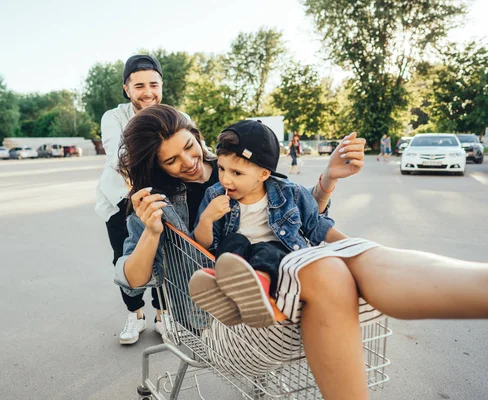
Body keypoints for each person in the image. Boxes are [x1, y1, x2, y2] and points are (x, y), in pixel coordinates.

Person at [116, 105, 488, 400]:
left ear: (196, 136)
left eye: (189, 146)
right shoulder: (155, 203)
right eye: (172, 160)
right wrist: (151, 231)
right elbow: (133, 283)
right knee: (325, 270)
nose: (190, 161)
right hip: (223, 323)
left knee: (337, 262)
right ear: (155, 166)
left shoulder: (238, 159)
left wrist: (328, 181)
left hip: (290, 296)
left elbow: (297, 216)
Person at [189, 120, 354, 328]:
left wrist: (352, 246)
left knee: (268, 248)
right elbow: (204, 245)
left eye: (236, 173)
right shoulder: (214, 195)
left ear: (264, 174)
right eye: (221, 169)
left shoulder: (289, 193)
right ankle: (226, 289)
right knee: (233, 241)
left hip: (279, 269)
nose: (225, 180)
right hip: (237, 268)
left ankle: (260, 289)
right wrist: (207, 219)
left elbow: (316, 225)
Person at [95, 54, 170, 345]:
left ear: (162, 85)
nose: (148, 91)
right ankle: (135, 315)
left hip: (163, 200)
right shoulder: (113, 117)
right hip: (120, 200)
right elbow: (120, 154)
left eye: (154, 84)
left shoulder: (176, 117)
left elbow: (195, 152)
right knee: (125, 259)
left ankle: (163, 315)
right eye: (139, 86)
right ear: (127, 89)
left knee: (164, 259)